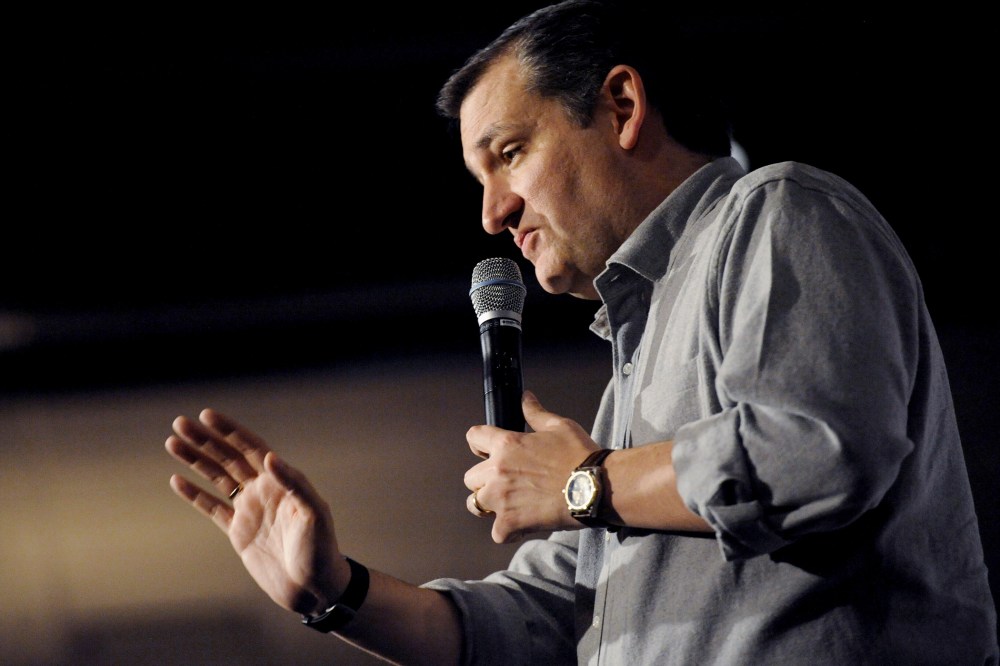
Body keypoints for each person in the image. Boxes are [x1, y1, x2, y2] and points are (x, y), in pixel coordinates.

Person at [165, 1, 998, 663]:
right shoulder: (632, 378)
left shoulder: (776, 212)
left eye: (511, 154)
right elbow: (543, 620)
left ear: (623, 106)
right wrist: (333, 594)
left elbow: (815, 455)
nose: (492, 213)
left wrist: (589, 483)